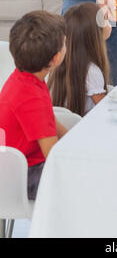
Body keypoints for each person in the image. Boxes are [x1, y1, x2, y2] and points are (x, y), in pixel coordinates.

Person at [0, 11, 67, 200]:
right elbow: (53, 155)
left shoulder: (26, 77)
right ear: (55, 58)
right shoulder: (32, 97)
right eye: (64, 43)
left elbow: (48, 120)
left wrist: (72, 138)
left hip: (17, 167)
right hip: (21, 175)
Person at [48, 2, 111, 116]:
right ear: (95, 35)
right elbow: (105, 111)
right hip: (84, 127)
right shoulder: (92, 71)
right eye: (105, 21)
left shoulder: (57, 63)